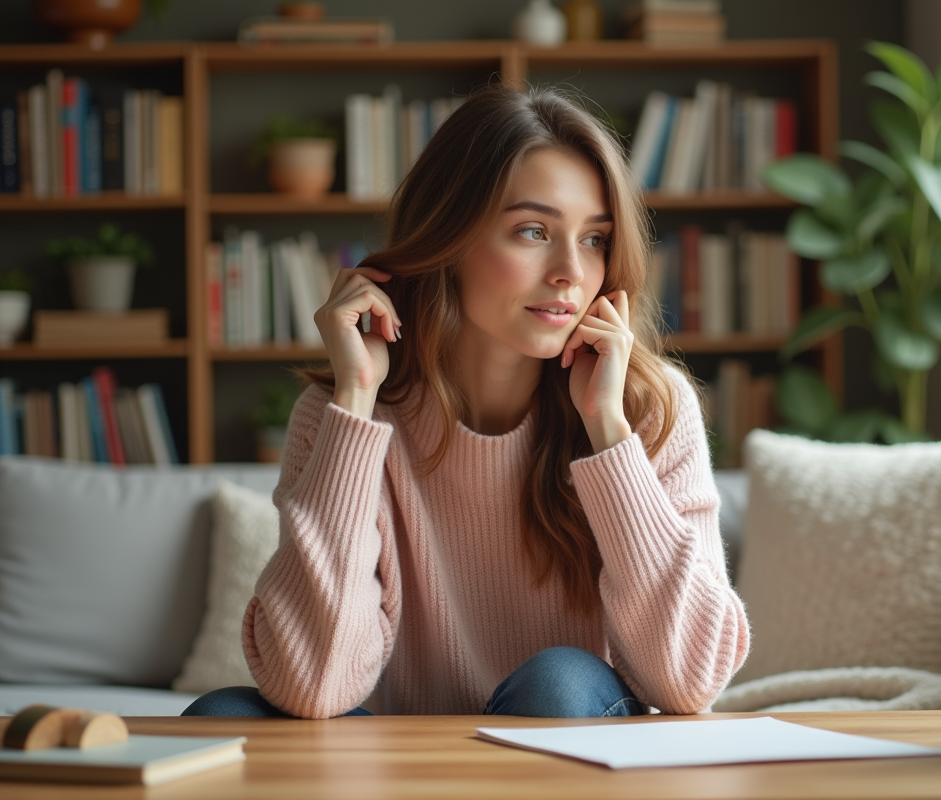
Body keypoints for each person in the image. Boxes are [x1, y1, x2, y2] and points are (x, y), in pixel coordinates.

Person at [182, 84, 749, 720]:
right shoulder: (342, 414)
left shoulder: (647, 407)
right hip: (395, 758)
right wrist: (356, 404)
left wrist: (609, 434)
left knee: (557, 682)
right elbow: (312, 686)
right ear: (448, 238)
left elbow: (688, 683)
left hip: (559, 741)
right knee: (223, 716)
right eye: (533, 231)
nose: (571, 271)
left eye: (594, 238)